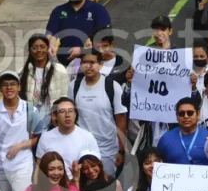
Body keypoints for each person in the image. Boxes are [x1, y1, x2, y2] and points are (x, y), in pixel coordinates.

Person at [0, 71, 45, 191]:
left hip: (22, 165)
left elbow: (38, 138)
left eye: (13, 84)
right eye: (5, 85)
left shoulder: (30, 111)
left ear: (19, 87)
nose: (9, 88)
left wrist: (20, 146)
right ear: (0, 89)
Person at [68, 48, 127, 178]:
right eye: (84, 62)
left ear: (100, 65)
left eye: (92, 62)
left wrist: (121, 151)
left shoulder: (112, 86)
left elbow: (121, 120)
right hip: (82, 147)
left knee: (106, 187)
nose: (88, 66)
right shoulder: (74, 86)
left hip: (108, 150)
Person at [47, 0, 113, 66]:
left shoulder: (97, 9)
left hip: (92, 65)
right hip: (64, 65)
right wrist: (51, 44)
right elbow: (51, 34)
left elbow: (104, 38)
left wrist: (82, 50)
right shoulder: (58, 11)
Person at [36, 97, 102, 177]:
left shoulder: (87, 137)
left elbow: (97, 167)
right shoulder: (45, 137)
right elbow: (39, 167)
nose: (67, 115)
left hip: (81, 185)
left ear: (75, 114)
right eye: (62, 112)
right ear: (55, 115)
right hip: (54, 184)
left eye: (71, 111)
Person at [19, 34, 71, 117]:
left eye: (42, 47)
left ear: (48, 48)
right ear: (29, 50)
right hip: (30, 120)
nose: (39, 50)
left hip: (53, 120)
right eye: (34, 47)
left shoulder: (60, 70)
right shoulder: (22, 72)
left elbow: (65, 96)